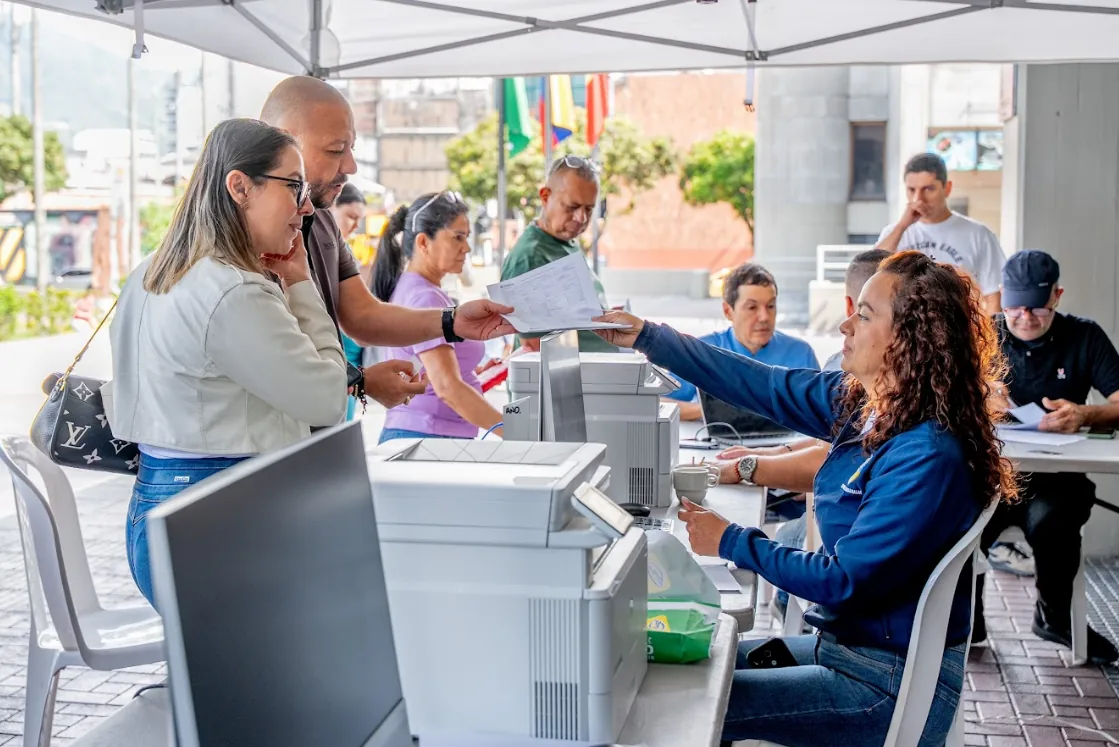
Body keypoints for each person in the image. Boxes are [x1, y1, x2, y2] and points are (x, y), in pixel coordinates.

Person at [593, 251, 1015, 747]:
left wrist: (731, 541)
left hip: (880, 685)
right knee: (673, 671)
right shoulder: (874, 406)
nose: (845, 324)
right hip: (847, 651)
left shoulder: (926, 454)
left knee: (674, 700)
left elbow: (841, 582)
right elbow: (761, 384)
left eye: (863, 314)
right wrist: (647, 336)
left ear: (908, 337)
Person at [105, 119, 343, 608]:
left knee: (222, 678)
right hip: (220, 510)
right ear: (239, 186)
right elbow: (327, 398)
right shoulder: (232, 290)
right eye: (293, 186)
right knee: (256, 680)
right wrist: (299, 281)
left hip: (159, 502)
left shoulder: (150, 272)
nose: (306, 207)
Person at [259, 76, 514, 409]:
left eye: (351, 149)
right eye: (336, 150)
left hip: (315, 434)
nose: (350, 166)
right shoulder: (245, 237)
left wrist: (452, 321)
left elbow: (362, 316)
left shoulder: (321, 220)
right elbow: (267, 352)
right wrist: (358, 380)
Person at [714, 248, 892, 623]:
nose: (845, 327)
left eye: (861, 316)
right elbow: (831, 445)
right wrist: (769, 455)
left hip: (845, 615)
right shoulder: (909, 417)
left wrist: (750, 468)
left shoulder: (917, 444)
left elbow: (828, 459)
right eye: (752, 307)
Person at [978, 250, 1119, 663]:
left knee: (1054, 522)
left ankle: (1054, 614)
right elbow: (942, 399)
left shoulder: (1084, 336)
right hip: (993, 474)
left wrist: (1085, 413)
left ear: (1057, 296)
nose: (1023, 317)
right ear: (1002, 297)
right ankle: (964, 622)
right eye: (1014, 306)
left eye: (1036, 308)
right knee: (958, 518)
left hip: (1057, 478)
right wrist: (981, 397)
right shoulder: (986, 334)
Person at [371, 192, 504, 443]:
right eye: (457, 237)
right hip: (427, 437)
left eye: (467, 238)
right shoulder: (424, 298)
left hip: (424, 435)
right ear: (423, 242)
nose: (466, 248)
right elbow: (447, 387)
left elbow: (427, 370)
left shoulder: (416, 289)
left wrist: (470, 371)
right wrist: (513, 431)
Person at [664, 262, 818, 422]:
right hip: (721, 442)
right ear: (728, 311)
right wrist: (712, 410)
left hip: (790, 445)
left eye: (771, 306)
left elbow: (823, 413)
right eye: (752, 307)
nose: (764, 317)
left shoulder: (800, 353)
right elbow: (658, 403)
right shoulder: (702, 352)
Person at [500, 155, 615, 353]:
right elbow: (534, 347)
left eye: (589, 208)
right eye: (572, 207)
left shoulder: (565, 243)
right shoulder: (531, 257)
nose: (581, 218)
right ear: (545, 196)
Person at [876, 153, 1005, 313]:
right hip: (905, 329)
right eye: (911, 190)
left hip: (960, 329)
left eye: (928, 189)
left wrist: (992, 336)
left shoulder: (978, 234)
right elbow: (870, 271)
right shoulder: (894, 233)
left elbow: (994, 296)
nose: (918, 199)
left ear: (947, 188)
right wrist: (903, 225)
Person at [330, 182, 369, 421]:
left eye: (358, 219)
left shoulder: (344, 249)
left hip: (351, 358)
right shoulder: (326, 247)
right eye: (350, 216)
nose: (355, 224)